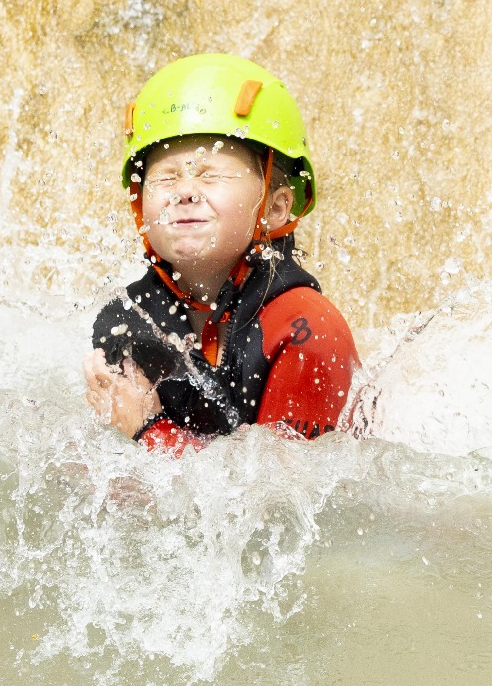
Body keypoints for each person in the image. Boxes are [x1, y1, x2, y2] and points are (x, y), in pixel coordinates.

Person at [83, 53, 356, 452]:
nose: (185, 191)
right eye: (167, 176)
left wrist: (149, 429)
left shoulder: (309, 331)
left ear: (275, 207)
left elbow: (280, 503)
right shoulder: (130, 321)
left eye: (209, 174)